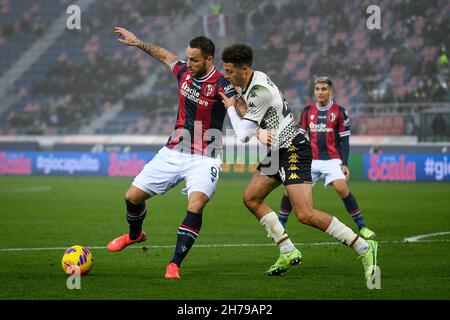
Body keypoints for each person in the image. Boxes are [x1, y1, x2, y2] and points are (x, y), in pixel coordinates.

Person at [218, 43, 378, 282]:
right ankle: (286, 249)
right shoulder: (254, 80)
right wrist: (258, 128)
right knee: (251, 197)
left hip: (293, 148)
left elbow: (242, 135)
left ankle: (364, 247)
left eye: (229, 71)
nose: (226, 75)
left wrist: (231, 108)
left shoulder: (258, 90)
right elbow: (252, 113)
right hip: (277, 150)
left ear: (244, 69)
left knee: (305, 214)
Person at [107, 27, 236, 279]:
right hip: (173, 150)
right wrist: (138, 43)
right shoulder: (184, 73)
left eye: (194, 59)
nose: (188, 63)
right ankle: (135, 235)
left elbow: (240, 108)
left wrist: (252, 121)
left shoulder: (221, 84)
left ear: (209, 60)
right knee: (132, 197)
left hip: (205, 156)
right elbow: (165, 56)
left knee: (196, 204)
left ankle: (174, 264)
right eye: (187, 58)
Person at [275, 77, 376, 240]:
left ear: (331, 91)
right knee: (289, 190)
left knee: (341, 188)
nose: (320, 92)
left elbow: (344, 140)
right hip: (311, 160)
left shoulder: (340, 112)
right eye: (317, 89)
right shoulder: (307, 111)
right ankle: (280, 226)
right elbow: (300, 136)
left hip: (332, 159)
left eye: (323, 89)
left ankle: (362, 226)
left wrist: (345, 163)